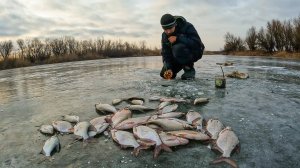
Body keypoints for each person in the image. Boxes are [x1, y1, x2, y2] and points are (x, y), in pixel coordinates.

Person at [160, 13, 205, 80]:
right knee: (164, 74)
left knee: (177, 48)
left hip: (195, 52)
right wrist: (168, 68)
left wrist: (178, 38)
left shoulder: (187, 26)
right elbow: (166, 53)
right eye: (165, 29)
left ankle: (189, 70)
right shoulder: (164, 36)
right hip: (177, 55)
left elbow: (197, 43)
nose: (168, 32)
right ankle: (174, 69)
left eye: (170, 28)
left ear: (175, 24)